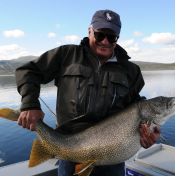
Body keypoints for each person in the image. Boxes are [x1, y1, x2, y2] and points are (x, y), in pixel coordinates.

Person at [15, 9, 161, 176]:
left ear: (118, 38)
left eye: (112, 37)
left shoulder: (131, 70)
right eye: (99, 35)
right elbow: (28, 71)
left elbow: (134, 106)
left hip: (113, 156)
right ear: (89, 31)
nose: (105, 41)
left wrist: (147, 134)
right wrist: (29, 104)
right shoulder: (67, 55)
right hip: (68, 149)